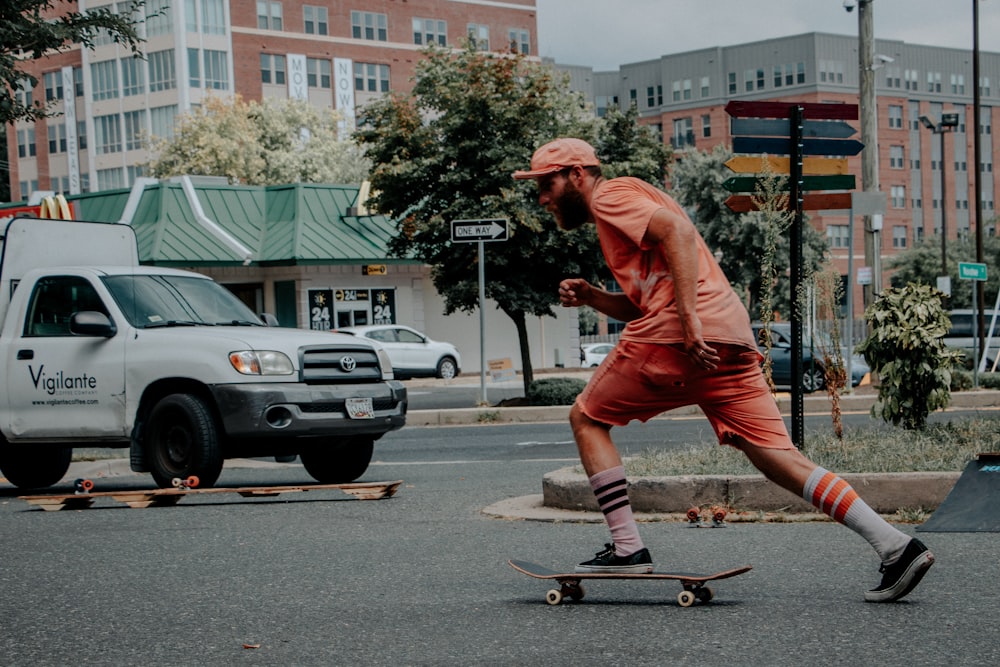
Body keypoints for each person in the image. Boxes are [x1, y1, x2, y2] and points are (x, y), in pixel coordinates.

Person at [512, 137, 934, 603]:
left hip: (681, 335)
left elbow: (677, 233)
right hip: (728, 336)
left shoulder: (610, 196)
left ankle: (628, 547)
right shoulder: (635, 196)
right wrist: (595, 297)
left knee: (587, 418)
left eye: (546, 184)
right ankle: (896, 545)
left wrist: (689, 320)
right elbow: (645, 299)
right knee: (779, 459)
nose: (542, 197)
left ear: (576, 174)